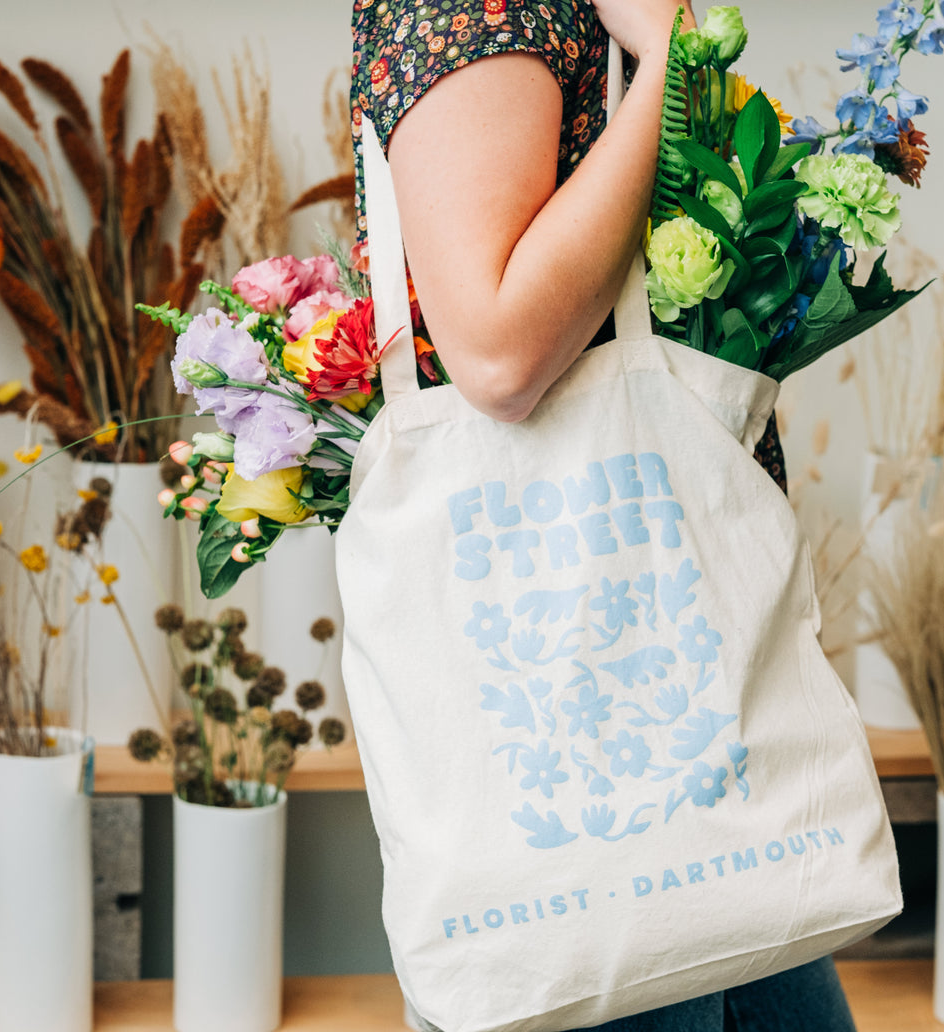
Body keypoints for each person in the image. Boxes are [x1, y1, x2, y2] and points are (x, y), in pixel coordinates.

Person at [351, 2, 855, 1029]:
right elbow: (495, 352)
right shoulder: (479, 8)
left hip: (690, 733)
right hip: (599, 716)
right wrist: (674, 54)